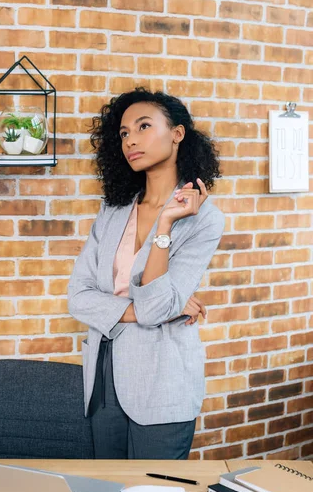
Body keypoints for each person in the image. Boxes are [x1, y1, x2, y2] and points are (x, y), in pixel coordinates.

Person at [68, 88, 225, 460]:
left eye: (143, 126)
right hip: (104, 381)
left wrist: (166, 223)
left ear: (177, 134)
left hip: (163, 382)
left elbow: (154, 307)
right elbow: (78, 297)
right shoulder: (113, 210)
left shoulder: (204, 220)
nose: (131, 140)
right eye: (124, 133)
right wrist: (149, 310)